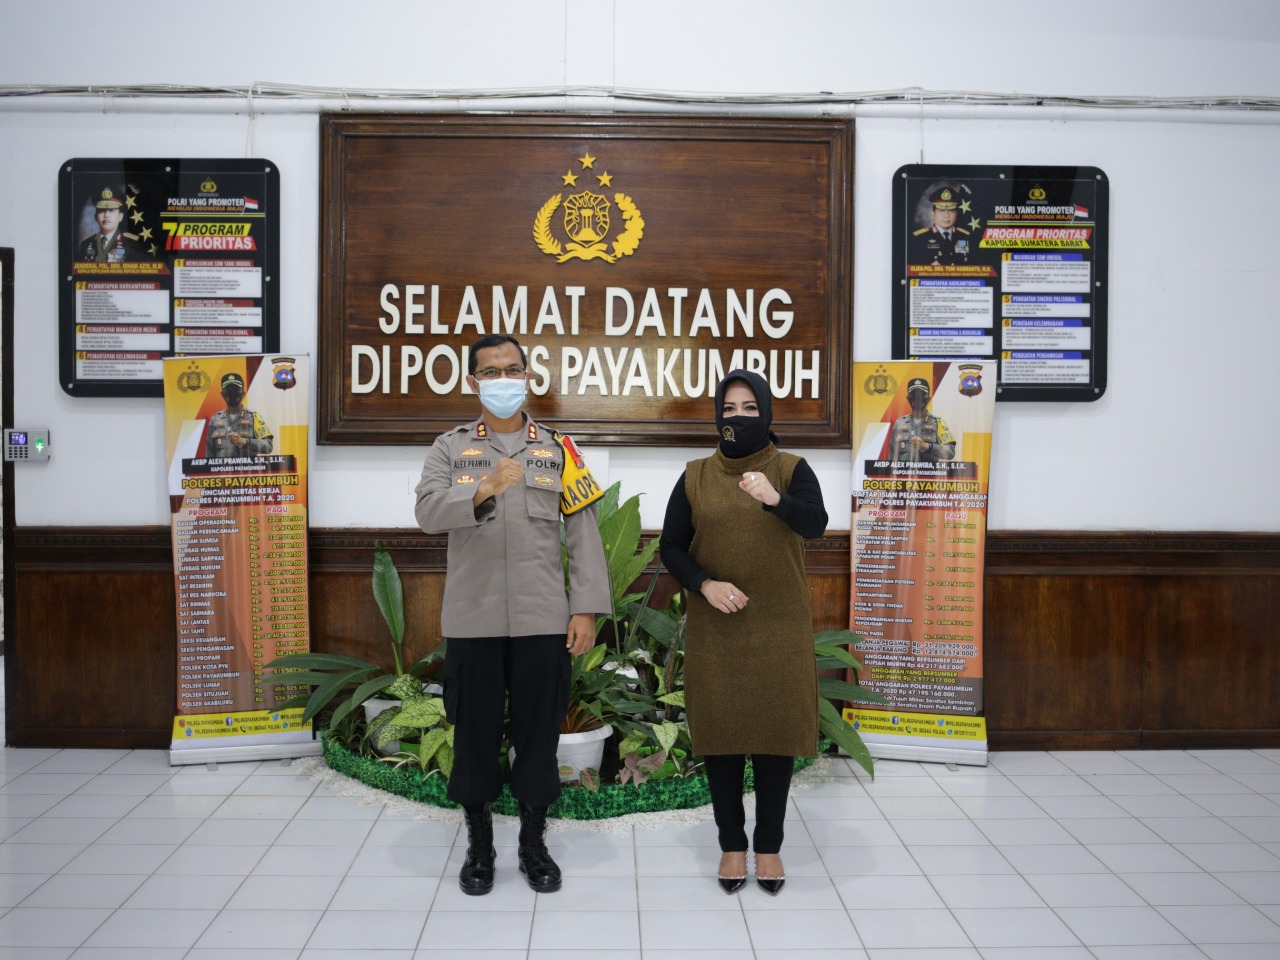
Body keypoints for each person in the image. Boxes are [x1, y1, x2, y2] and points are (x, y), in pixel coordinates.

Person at [414, 333, 610, 897]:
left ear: (527, 376)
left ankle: (532, 844)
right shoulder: (449, 448)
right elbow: (427, 513)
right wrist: (483, 489)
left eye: (512, 370)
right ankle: (479, 846)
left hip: (543, 620)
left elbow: (584, 535)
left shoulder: (558, 449)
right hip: (473, 620)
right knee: (474, 737)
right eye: (491, 372)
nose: (503, 380)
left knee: (538, 736)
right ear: (472, 382)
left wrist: (585, 610)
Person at [658, 369, 828, 896]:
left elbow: (816, 523)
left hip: (780, 625)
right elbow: (671, 547)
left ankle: (769, 847)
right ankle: (732, 845)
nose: (739, 417)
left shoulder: (791, 469)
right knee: (723, 739)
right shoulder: (695, 476)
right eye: (729, 408)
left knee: (776, 737)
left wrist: (775, 498)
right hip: (718, 626)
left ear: (766, 413)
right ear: (718, 414)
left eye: (750, 408)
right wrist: (704, 584)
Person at [886, 377, 955, 465]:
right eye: (914, 394)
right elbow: (892, 457)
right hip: (904, 473)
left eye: (922, 395)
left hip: (928, 473)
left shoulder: (937, 422)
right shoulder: (900, 423)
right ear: (908, 398)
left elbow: (950, 452)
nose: (918, 398)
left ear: (928, 399)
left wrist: (928, 447)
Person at [205, 372, 274, 458]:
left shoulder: (253, 417)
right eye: (228, 390)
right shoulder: (215, 419)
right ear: (222, 394)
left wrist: (246, 441)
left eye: (236, 390)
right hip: (222, 466)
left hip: (247, 466)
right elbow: (209, 454)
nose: (232, 393)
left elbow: (268, 446)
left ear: (243, 393)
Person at [909, 185, 970, 265]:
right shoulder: (920, 238)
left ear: (956, 214)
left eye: (951, 210)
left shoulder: (964, 236)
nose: (946, 215)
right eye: (941, 211)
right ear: (933, 214)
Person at [79, 187, 144, 262]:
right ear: (96, 217)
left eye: (111, 210)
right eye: (102, 211)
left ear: (120, 217)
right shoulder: (86, 244)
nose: (106, 215)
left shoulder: (132, 244)